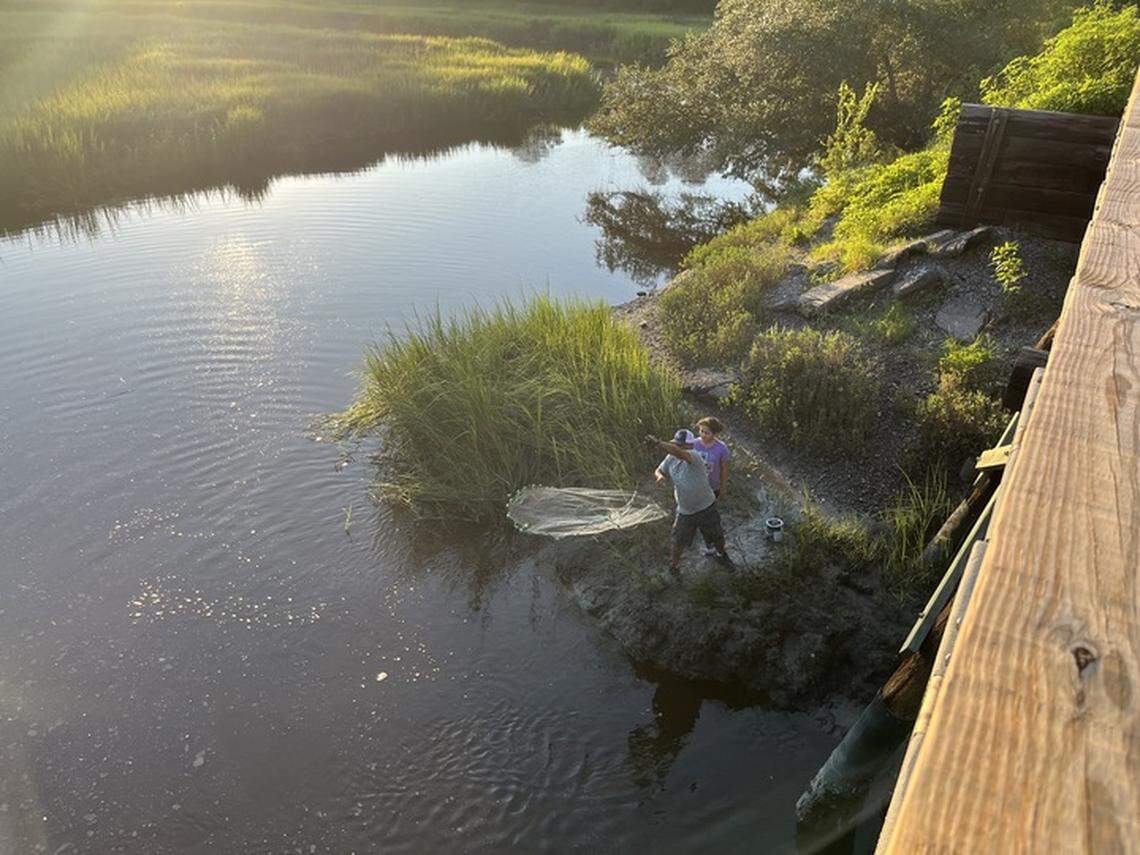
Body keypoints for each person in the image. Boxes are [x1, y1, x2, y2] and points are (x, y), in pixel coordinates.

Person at [647, 428, 730, 577]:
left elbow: (679, 453)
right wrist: (660, 476)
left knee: (716, 536)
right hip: (685, 511)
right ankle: (674, 566)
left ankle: (722, 555)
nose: (677, 448)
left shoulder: (695, 457)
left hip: (706, 507)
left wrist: (659, 443)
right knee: (678, 541)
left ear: (690, 446)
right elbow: (659, 469)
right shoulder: (670, 458)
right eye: (676, 444)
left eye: (681, 445)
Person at [691, 416, 731, 556]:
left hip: (712, 488)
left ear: (714, 433)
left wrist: (723, 488)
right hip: (695, 486)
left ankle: (717, 545)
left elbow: (725, 470)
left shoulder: (721, 448)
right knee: (699, 515)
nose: (703, 435)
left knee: (709, 516)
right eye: (701, 431)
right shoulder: (694, 444)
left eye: (707, 432)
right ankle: (709, 544)